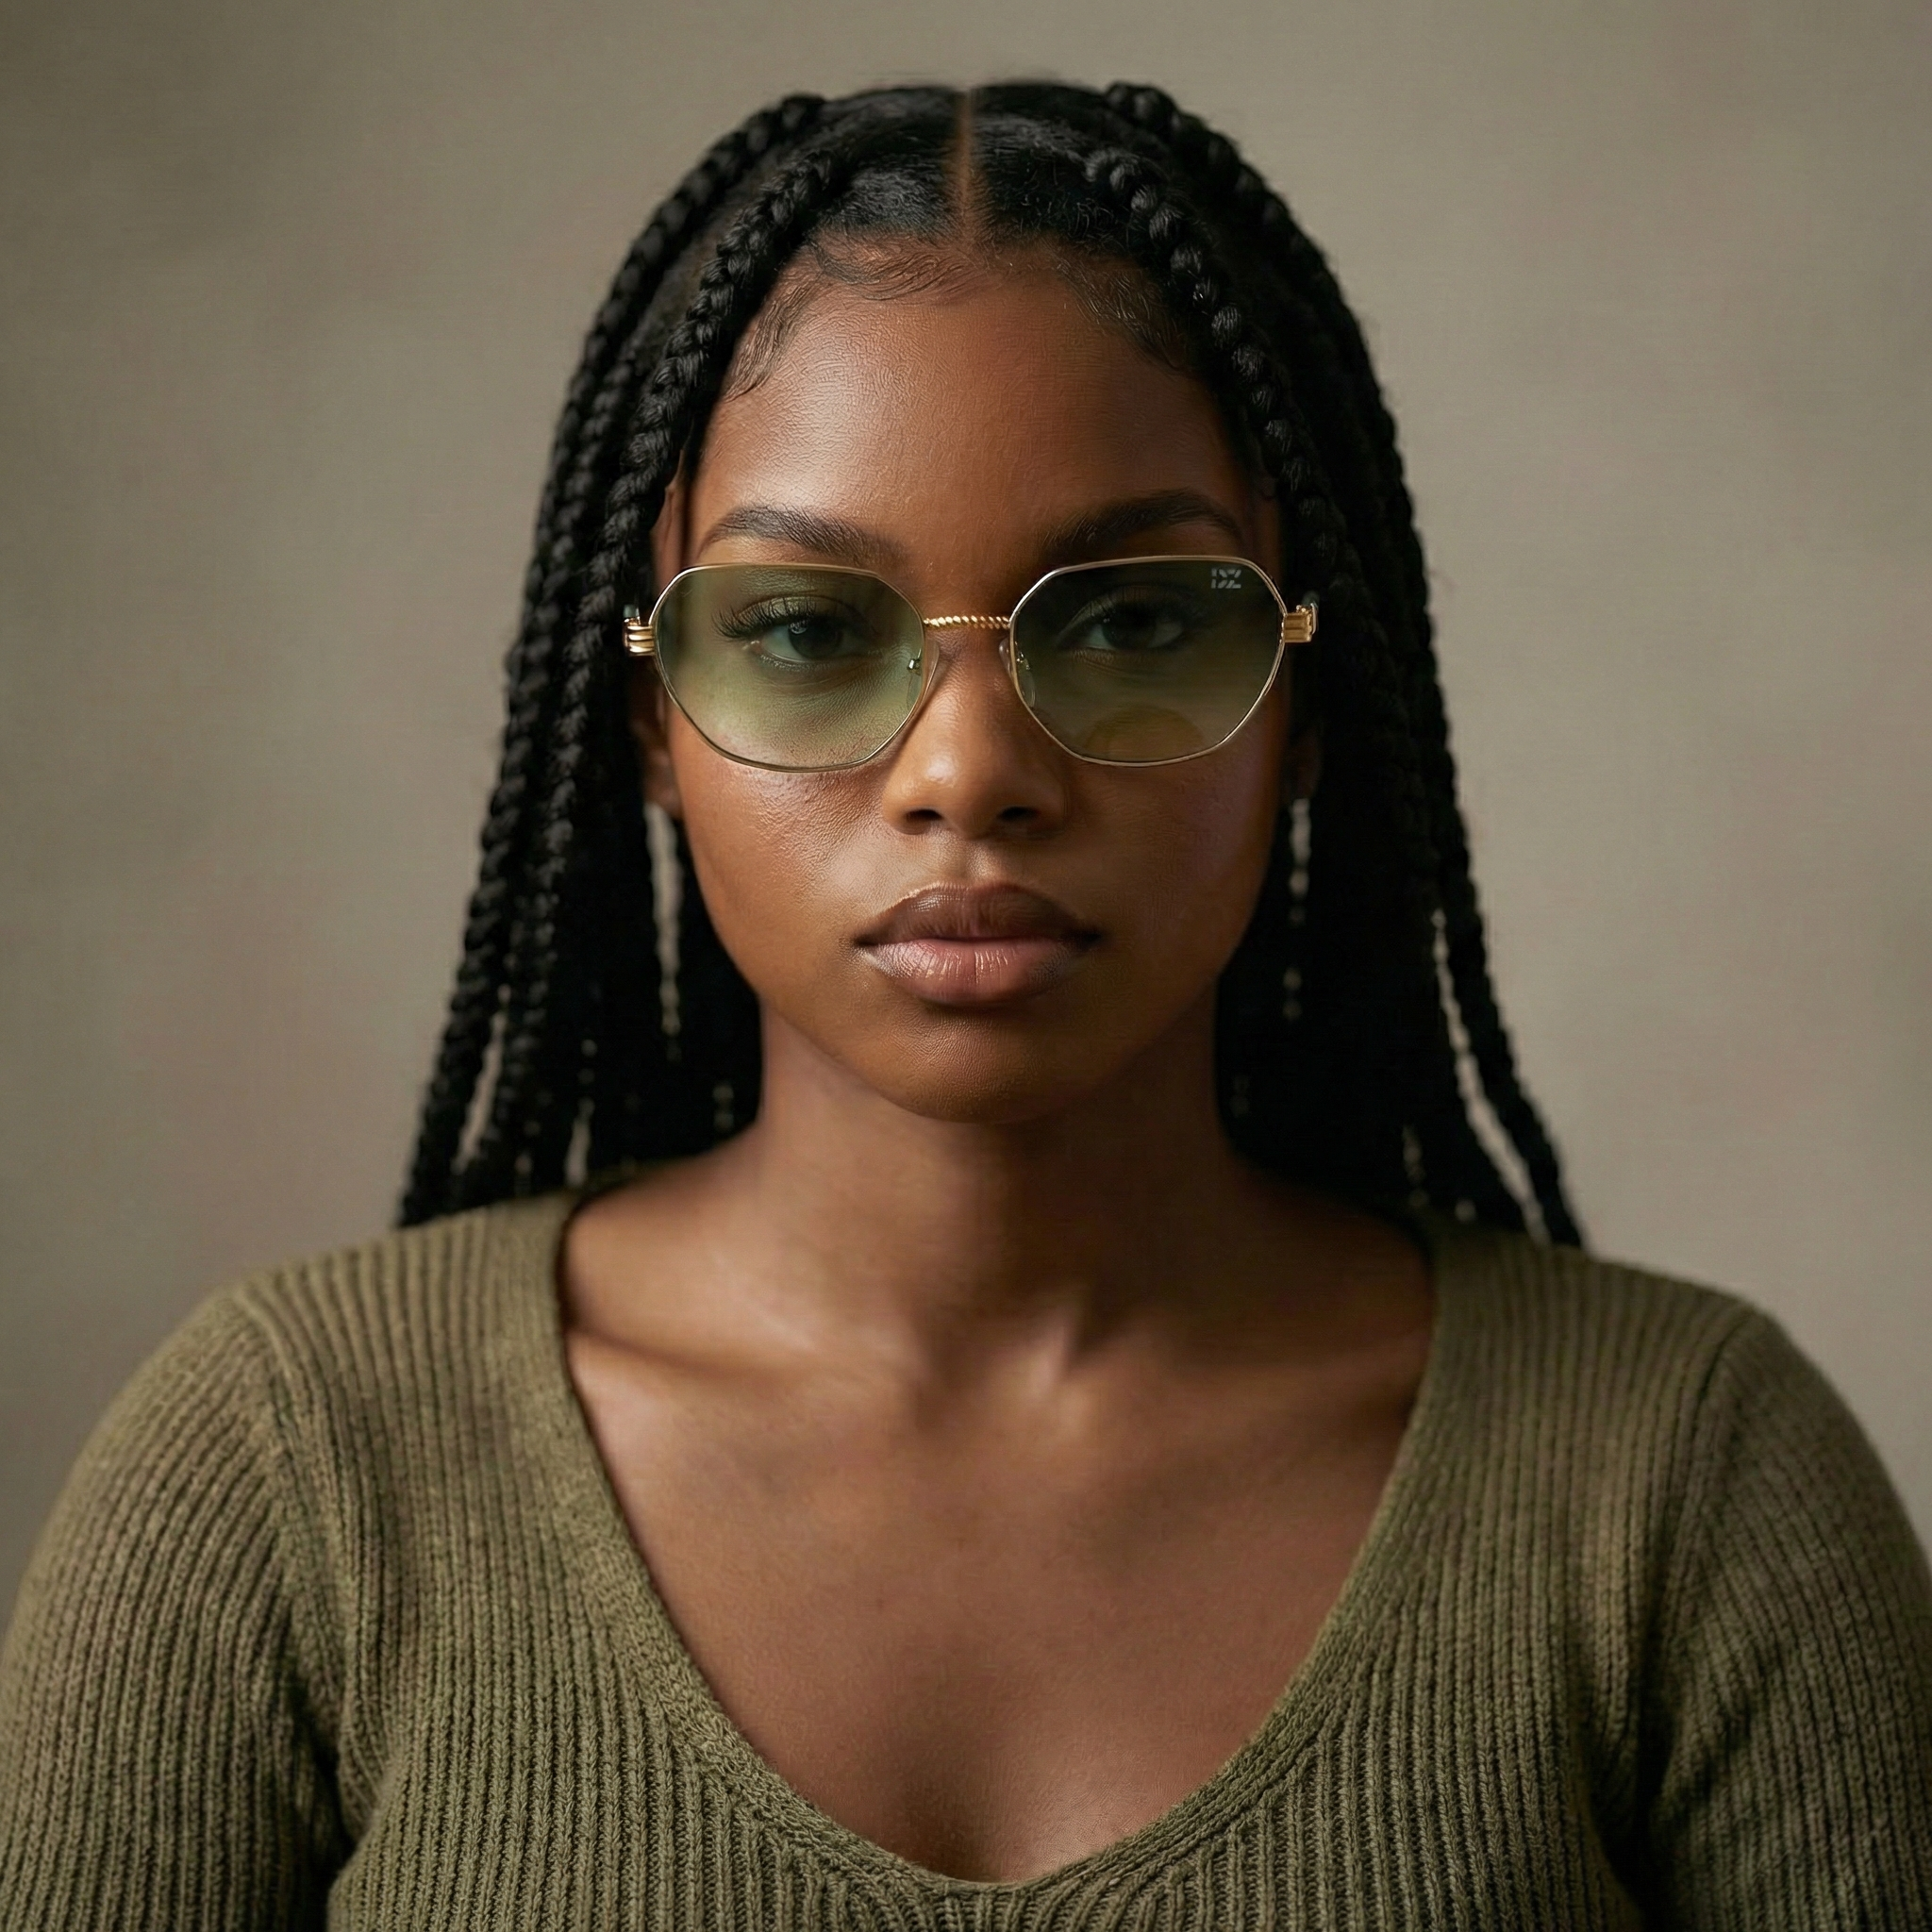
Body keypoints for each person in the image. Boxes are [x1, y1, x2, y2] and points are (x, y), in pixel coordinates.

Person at [2, 79, 1927, 1930]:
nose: (967, 771)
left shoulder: (1681, 1481)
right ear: (648, 727)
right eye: (804, 632)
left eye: (1136, 622)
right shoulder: (286, 1466)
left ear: (1312, 711)